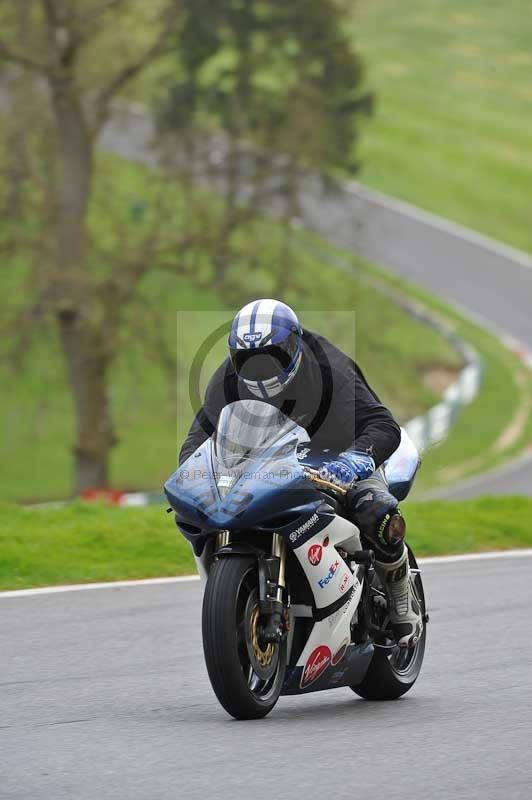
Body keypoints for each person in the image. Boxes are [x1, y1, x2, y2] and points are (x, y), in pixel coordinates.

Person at [179, 299, 422, 647]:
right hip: (269, 463)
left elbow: (382, 425)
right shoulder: (227, 379)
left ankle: (400, 599)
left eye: (272, 357)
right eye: (249, 360)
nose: (260, 369)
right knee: (217, 514)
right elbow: (197, 440)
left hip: (340, 457)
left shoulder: (329, 367)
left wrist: (352, 462)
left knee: (376, 510)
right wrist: (194, 477)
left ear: (293, 346)